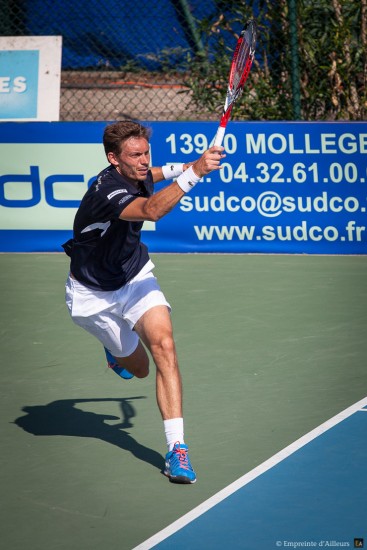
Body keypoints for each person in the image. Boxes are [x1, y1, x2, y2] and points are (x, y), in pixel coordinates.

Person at [63, 120, 224, 484]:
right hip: (92, 296)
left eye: (145, 152)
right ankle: (114, 347)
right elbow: (151, 210)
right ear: (112, 159)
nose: (142, 161)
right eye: (134, 155)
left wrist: (180, 167)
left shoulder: (136, 171)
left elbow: (151, 174)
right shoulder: (106, 192)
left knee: (164, 346)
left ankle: (176, 449)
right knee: (139, 369)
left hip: (134, 276)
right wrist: (195, 172)